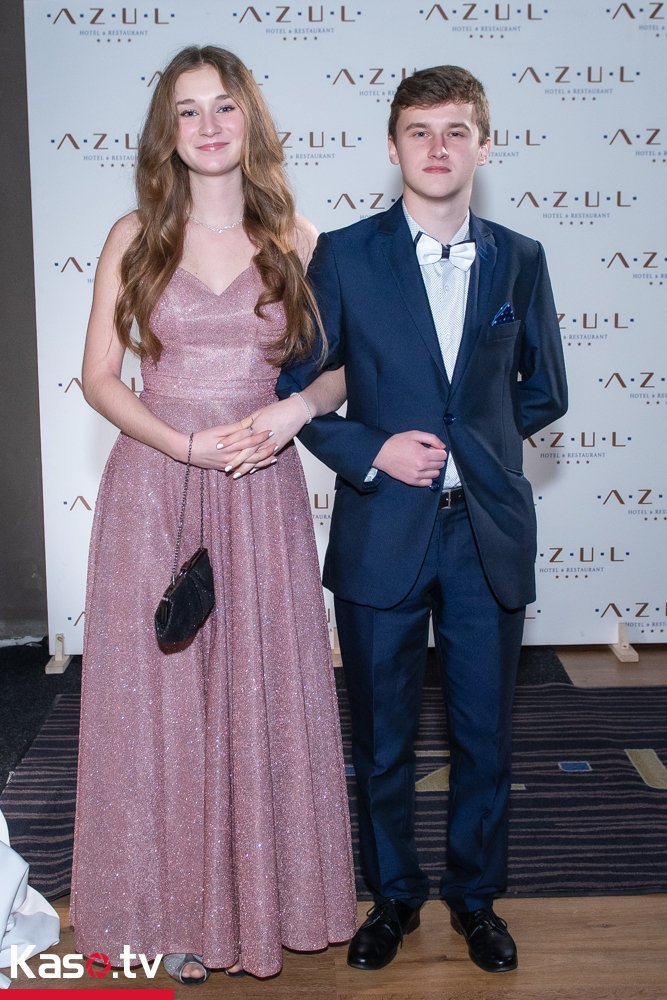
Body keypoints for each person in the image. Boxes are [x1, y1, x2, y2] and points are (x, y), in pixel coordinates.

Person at [71, 44, 356, 983]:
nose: (206, 125)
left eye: (223, 106)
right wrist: (184, 443)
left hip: (261, 487)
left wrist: (292, 412)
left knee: (258, 692)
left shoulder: (300, 239)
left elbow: (341, 370)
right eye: (187, 110)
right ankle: (170, 917)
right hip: (158, 484)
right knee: (160, 703)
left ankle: (262, 905)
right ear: (167, 131)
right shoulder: (134, 235)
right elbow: (99, 379)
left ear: (250, 121)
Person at [276, 65, 568, 974]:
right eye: (418, 131)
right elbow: (299, 391)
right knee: (382, 737)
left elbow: (543, 389)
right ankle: (393, 898)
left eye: (455, 131)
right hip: (382, 528)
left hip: (485, 535)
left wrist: (475, 449)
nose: (437, 148)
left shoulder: (520, 257)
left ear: (484, 145)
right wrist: (376, 450)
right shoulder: (344, 256)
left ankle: (476, 900)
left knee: (485, 736)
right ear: (392, 145)